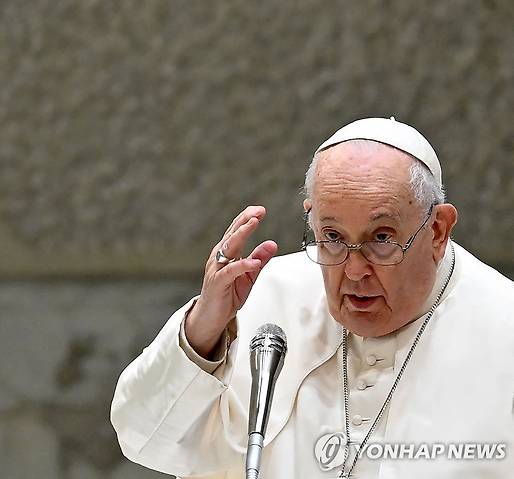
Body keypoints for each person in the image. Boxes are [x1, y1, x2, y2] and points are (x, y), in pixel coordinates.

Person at [110, 117, 514, 478]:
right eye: (333, 237)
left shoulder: (502, 327)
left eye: (382, 238)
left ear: (439, 230)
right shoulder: (263, 298)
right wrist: (203, 331)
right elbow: (145, 440)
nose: (354, 271)